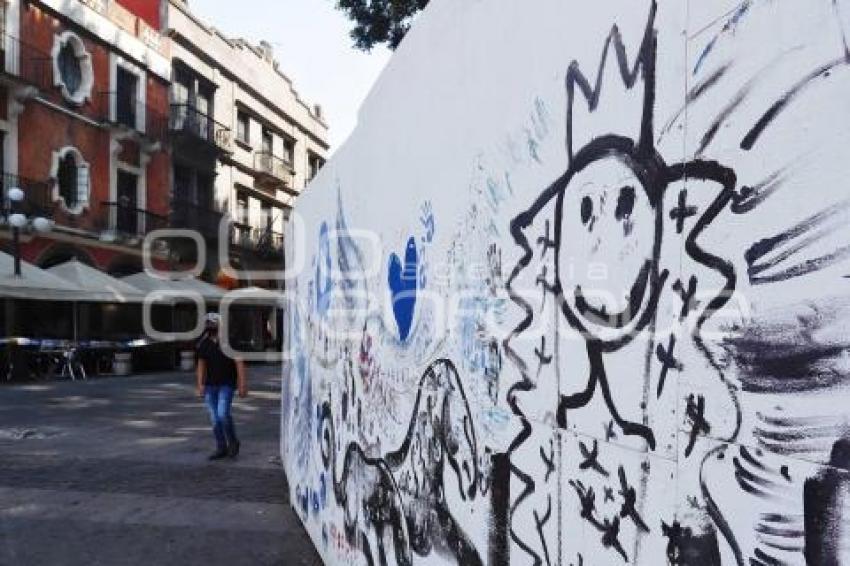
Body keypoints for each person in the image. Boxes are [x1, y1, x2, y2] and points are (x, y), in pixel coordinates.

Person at [196, 313, 247, 460]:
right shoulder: (203, 343)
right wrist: (200, 384)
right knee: (214, 418)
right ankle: (221, 447)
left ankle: (232, 442)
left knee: (223, 414)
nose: (210, 327)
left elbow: (239, 362)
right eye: (208, 324)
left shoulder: (230, 342)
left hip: (227, 383)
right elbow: (201, 364)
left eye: (213, 324)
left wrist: (242, 383)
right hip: (210, 385)